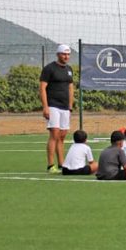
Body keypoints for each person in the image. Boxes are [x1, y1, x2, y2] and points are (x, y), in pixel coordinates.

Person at [39, 44, 75, 174]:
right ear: (58, 54)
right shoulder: (49, 69)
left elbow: (70, 87)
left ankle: (62, 164)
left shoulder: (69, 69)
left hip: (65, 107)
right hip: (53, 105)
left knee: (62, 136)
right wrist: (45, 107)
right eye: (64, 54)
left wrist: (70, 105)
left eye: (68, 54)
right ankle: (50, 165)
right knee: (54, 134)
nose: (66, 57)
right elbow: (42, 87)